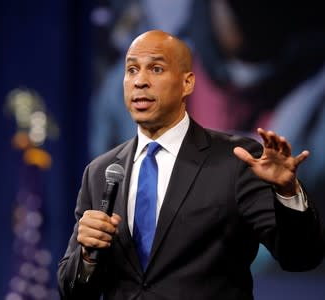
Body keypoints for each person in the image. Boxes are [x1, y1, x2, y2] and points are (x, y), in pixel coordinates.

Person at [57, 30, 324, 299]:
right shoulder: (101, 171)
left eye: (156, 68)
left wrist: (287, 193)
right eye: (132, 70)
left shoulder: (236, 159)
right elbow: (73, 292)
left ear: (187, 83)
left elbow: (300, 257)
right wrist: (87, 255)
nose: (140, 81)